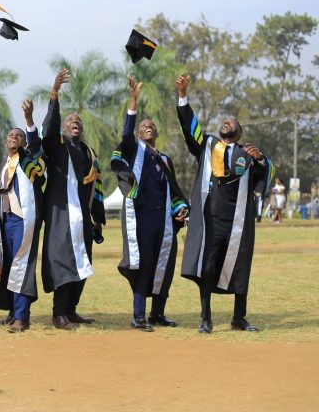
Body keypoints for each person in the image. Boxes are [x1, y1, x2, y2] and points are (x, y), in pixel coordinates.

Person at [176, 75, 275, 334]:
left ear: (239, 131)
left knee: (241, 268)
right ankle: (206, 318)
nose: (225, 122)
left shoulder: (247, 154)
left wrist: (262, 159)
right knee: (207, 268)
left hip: (238, 223)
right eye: (223, 121)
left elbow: (267, 177)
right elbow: (190, 127)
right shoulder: (207, 146)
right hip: (211, 220)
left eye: (231, 121)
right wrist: (183, 96)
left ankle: (238, 318)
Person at [111, 77, 189, 332]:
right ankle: (138, 316)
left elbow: (174, 190)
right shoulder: (136, 151)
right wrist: (133, 101)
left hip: (163, 221)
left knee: (163, 265)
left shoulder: (165, 159)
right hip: (142, 219)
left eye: (152, 125)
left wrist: (180, 210)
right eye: (144, 125)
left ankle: (158, 313)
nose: (148, 127)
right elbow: (125, 133)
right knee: (144, 265)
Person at [40, 69, 106, 330]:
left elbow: (96, 188)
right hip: (61, 215)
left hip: (84, 218)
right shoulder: (58, 146)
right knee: (63, 262)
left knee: (83, 263)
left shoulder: (89, 153)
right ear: (65, 128)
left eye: (78, 120)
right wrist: (54, 94)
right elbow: (49, 128)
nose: (75, 122)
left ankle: (71, 309)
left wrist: (98, 219)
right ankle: (58, 314)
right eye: (70, 120)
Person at [0, 100, 45, 333]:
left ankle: (22, 317)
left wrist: (29, 121)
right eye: (11, 135)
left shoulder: (29, 159)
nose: (14, 137)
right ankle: (13, 313)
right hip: (6, 221)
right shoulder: (4, 163)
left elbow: (35, 144)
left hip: (24, 218)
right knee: (11, 266)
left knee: (23, 264)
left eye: (18, 136)